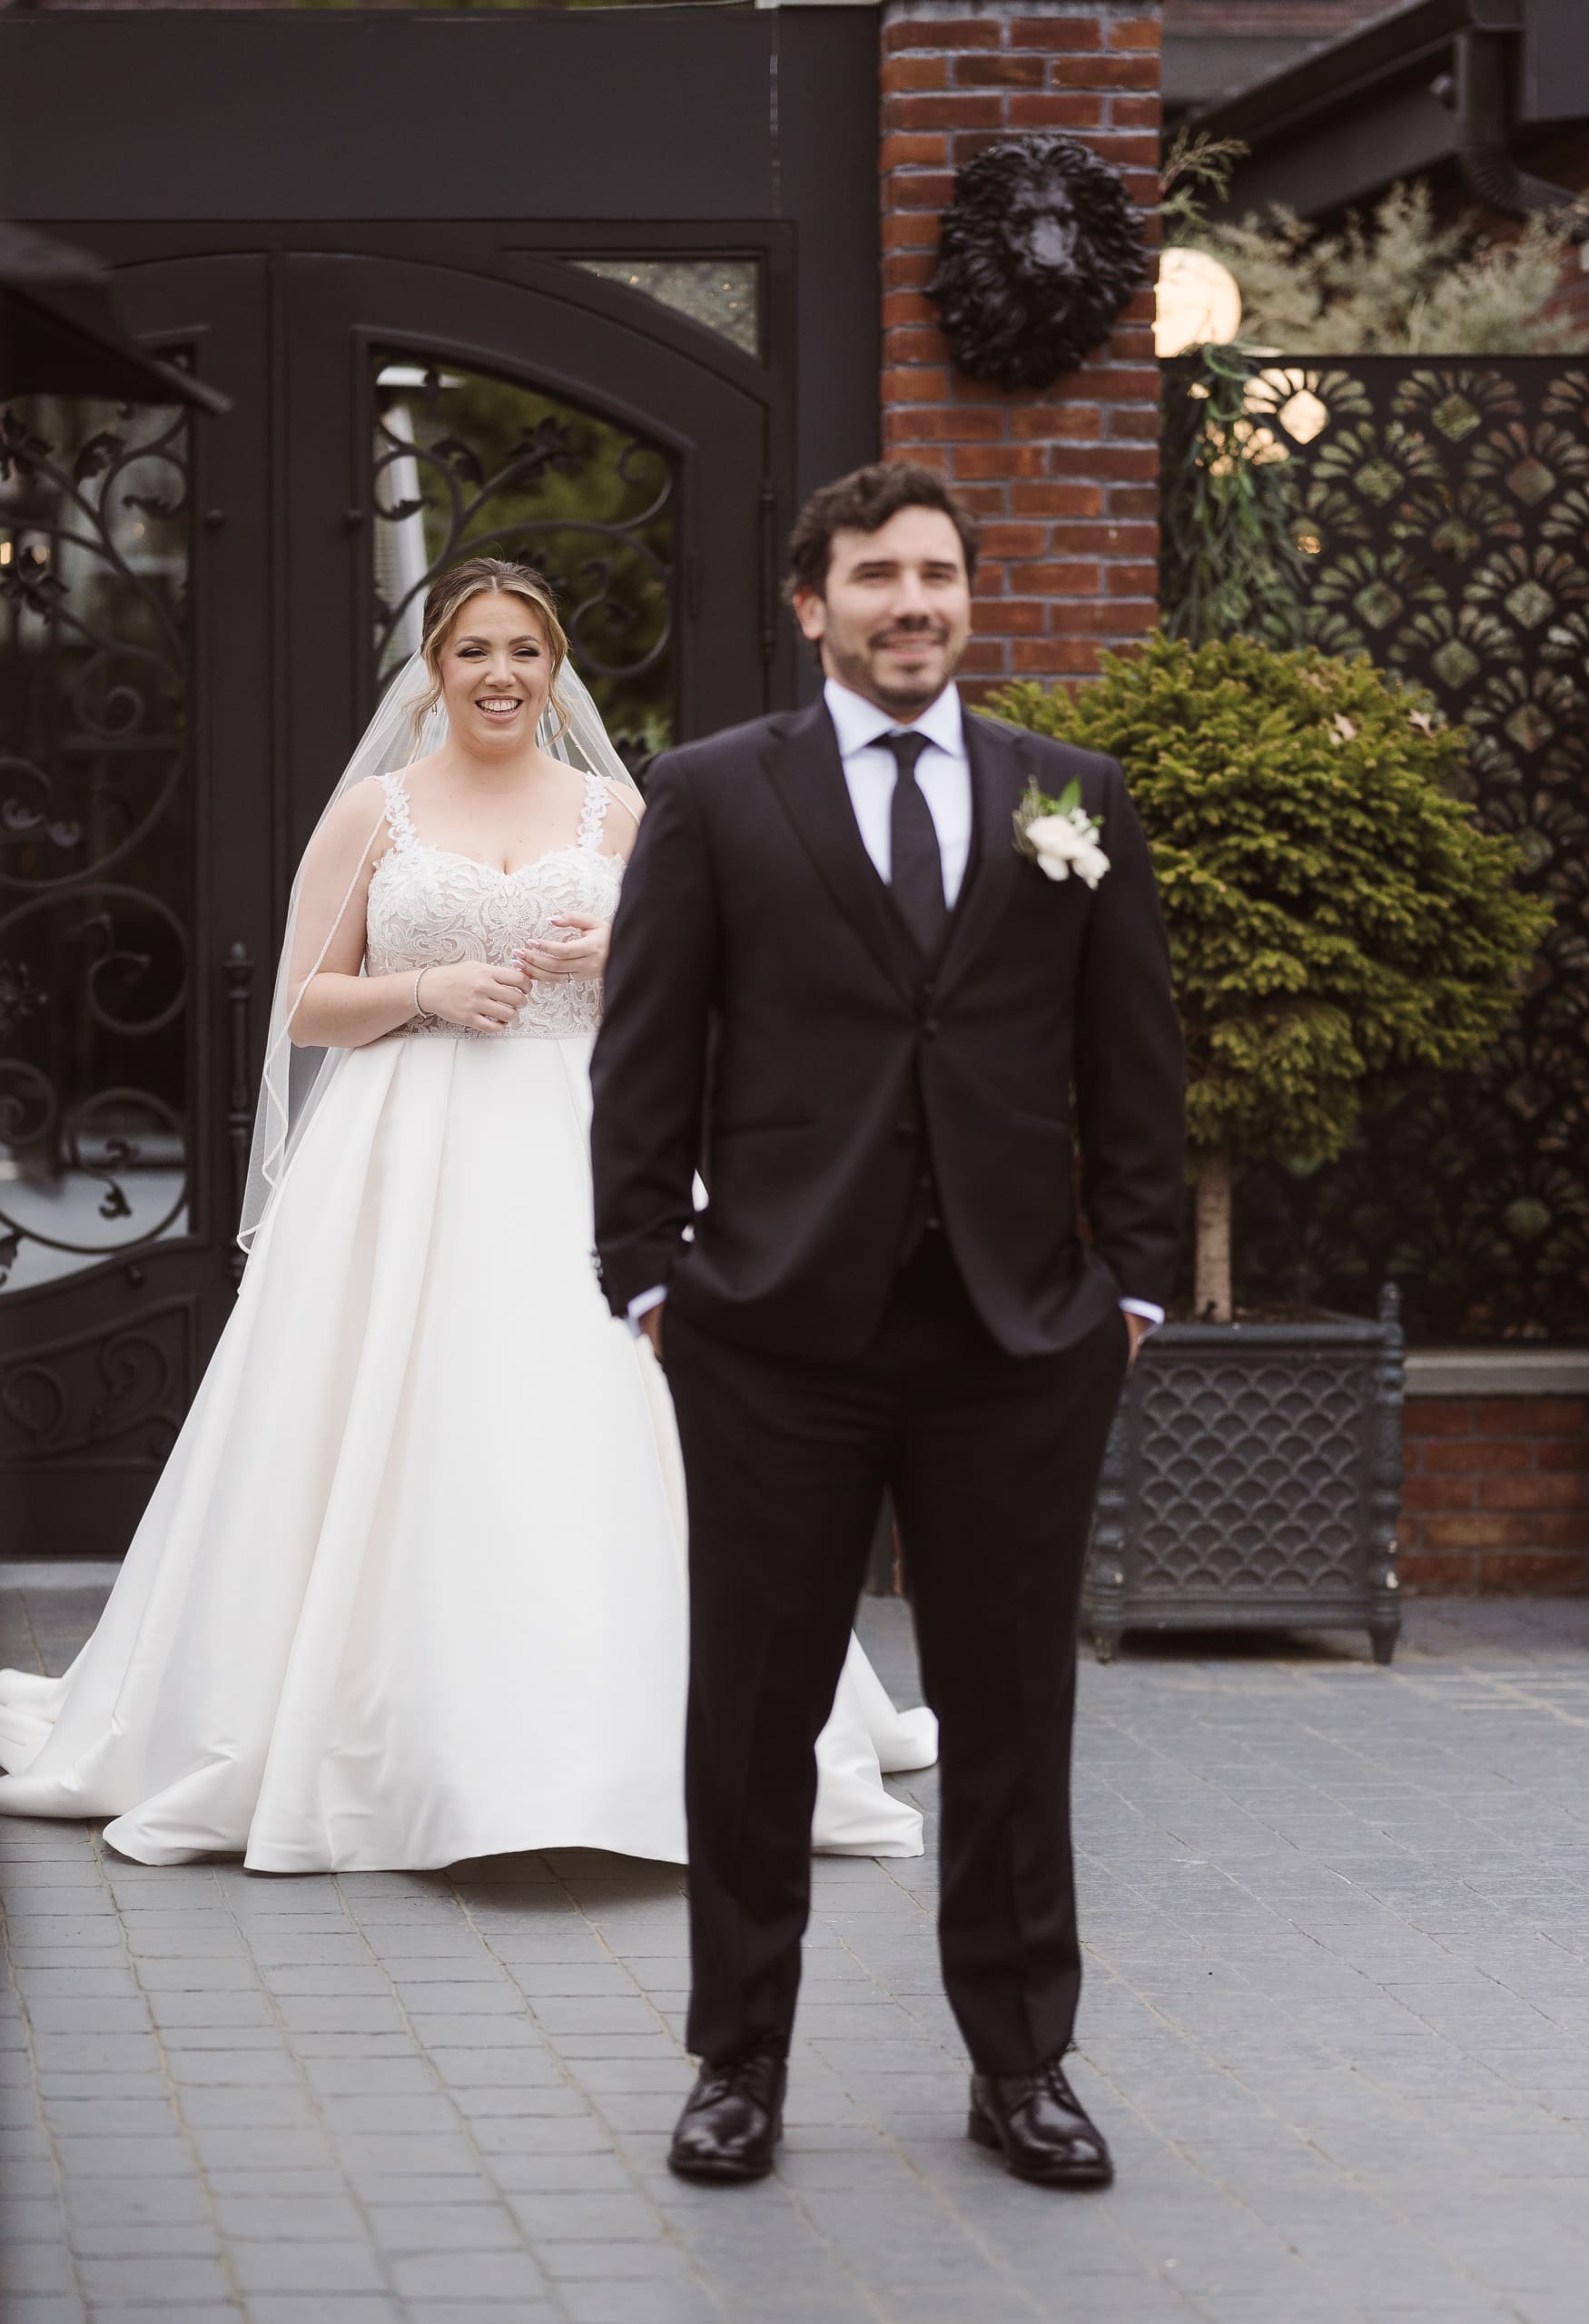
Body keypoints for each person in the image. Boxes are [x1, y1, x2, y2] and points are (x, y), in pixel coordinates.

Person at [0, 556, 935, 1872]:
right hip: (405, 1157)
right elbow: (304, 1008)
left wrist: (630, 955)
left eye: (525, 651)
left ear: (557, 671)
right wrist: (425, 991)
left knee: (609, 1419)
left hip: (589, 1150)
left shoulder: (619, 814)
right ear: (433, 670)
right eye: (474, 651)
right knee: (394, 1409)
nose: (501, 674)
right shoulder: (374, 814)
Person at [590, 464, 1185, 2188]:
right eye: (874, 576)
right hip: (774, 1333)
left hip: (1017, 1337)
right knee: (752, 1711)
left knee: (1011, 1716)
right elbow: (646, 1049)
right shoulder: (714, 793)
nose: (910, 602)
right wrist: (648, 1276)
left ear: (967, 598)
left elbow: (1131, 1059)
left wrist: (1131, 1288)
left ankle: (1021, 2065)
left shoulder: (1071, 794)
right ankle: (737, 2061)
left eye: (935, 573)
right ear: (813, 605)